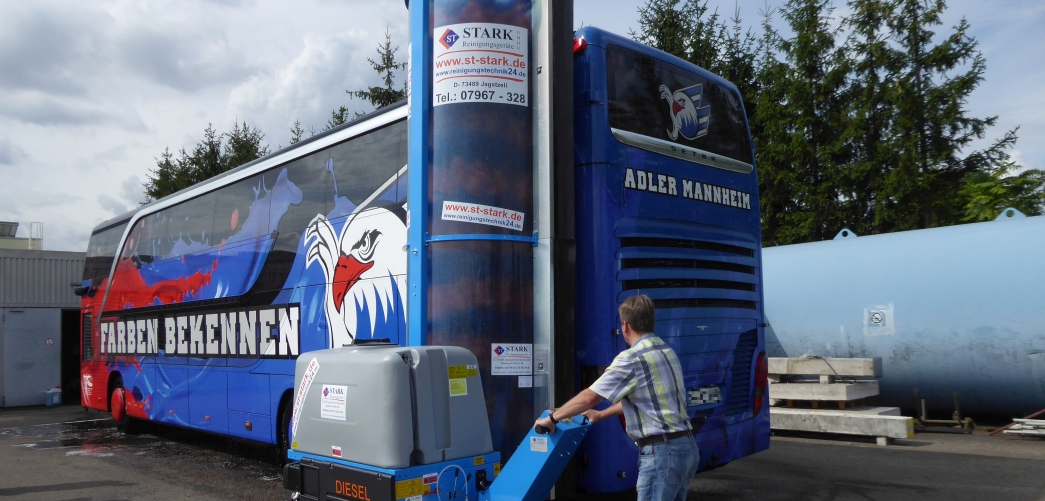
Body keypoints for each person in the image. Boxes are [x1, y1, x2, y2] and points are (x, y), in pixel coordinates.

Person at [534, 295, 699, 501]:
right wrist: (600, 415)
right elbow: (647, 400)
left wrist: (551, 419)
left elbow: (589, 398)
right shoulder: (665, 350)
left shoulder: (632, 358)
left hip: (662, 454)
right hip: (685, 448)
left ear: (625, 325)